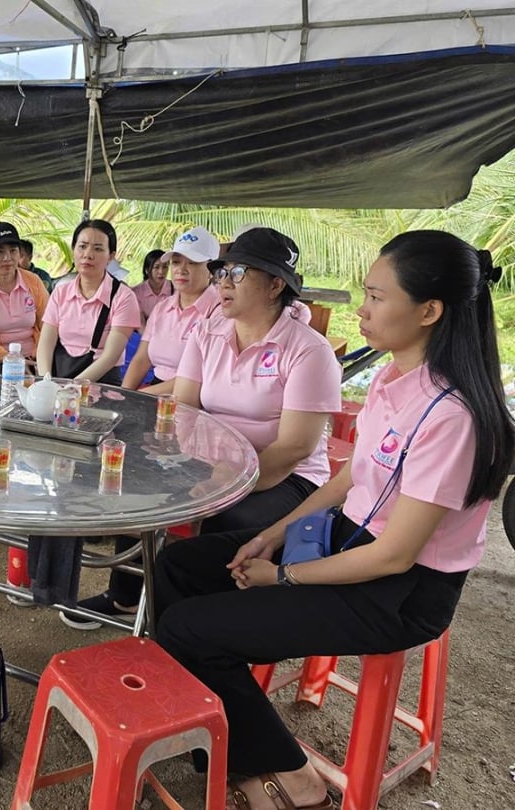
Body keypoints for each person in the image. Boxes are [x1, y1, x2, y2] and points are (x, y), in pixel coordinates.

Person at [153, 230, 514, 809]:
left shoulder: (453, 415)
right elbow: (350, 479)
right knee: (181, 564)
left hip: (400, 588)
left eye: (375, 296)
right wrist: (273, 534)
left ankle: (295, 779)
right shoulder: (396, 378)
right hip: (351, 537)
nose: (362, 309)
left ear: (429, 311)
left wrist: (285, 577)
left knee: (187, 629)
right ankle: (213, 733)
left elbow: (394, 555)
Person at [62, 228, 341, 629]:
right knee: (132, 479)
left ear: (275, 285)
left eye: (240, 272)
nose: (224, 281)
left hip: (284, 476)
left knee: (226, 523)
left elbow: (296, 447)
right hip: (213, 458)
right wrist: (168, 454)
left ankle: (205, 627)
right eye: (223, 271)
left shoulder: (307, 351)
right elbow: (185, 407)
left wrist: (230, 478)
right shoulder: (208, 333)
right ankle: (126, 598)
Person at [36, 219, 141, 385]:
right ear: (73, 250)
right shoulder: (60, 292)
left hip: (100, 382)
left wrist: (71, 388)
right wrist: (45, 382)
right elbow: (46, 343)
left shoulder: (123, 297)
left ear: (111, 256)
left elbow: (110, 357)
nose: (88, 254)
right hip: (59, 377)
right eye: (82, 246)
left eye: (98, 248)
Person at [122, 228, 221, 396]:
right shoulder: (162, 307)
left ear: (211, 270)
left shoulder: (218, 311)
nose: (181, 270)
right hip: (154, 389)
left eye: (193, 263)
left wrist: (142, 396)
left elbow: (201, 373)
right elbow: (142, 358)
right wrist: (123, 396)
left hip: (193, 397)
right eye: (176, 262)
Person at [0, 222, 49, 364]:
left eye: (13, 250)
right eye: (0, 251)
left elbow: (48, 323)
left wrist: (39, 356)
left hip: (36, 359)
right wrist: (14, 361)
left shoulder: (34, 282)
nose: (7, 257)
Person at [132, 248, 173, 324]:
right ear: (147, 270)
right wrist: (148, 336)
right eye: (156, 267)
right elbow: (140, 323)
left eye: (165, 267)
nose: (161, 272)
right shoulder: (136, 292)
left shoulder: (175, 290)